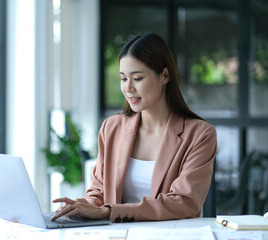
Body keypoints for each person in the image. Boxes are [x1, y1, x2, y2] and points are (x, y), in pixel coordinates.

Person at [51, 33, 217, 222]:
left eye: (137, 78)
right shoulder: (111, 128)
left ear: (165, 76)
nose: (128, 88)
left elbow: (183, 202)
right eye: (123, 79)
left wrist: (109, 211)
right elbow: (98, 192)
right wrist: (80, 206)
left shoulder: (199, 135)